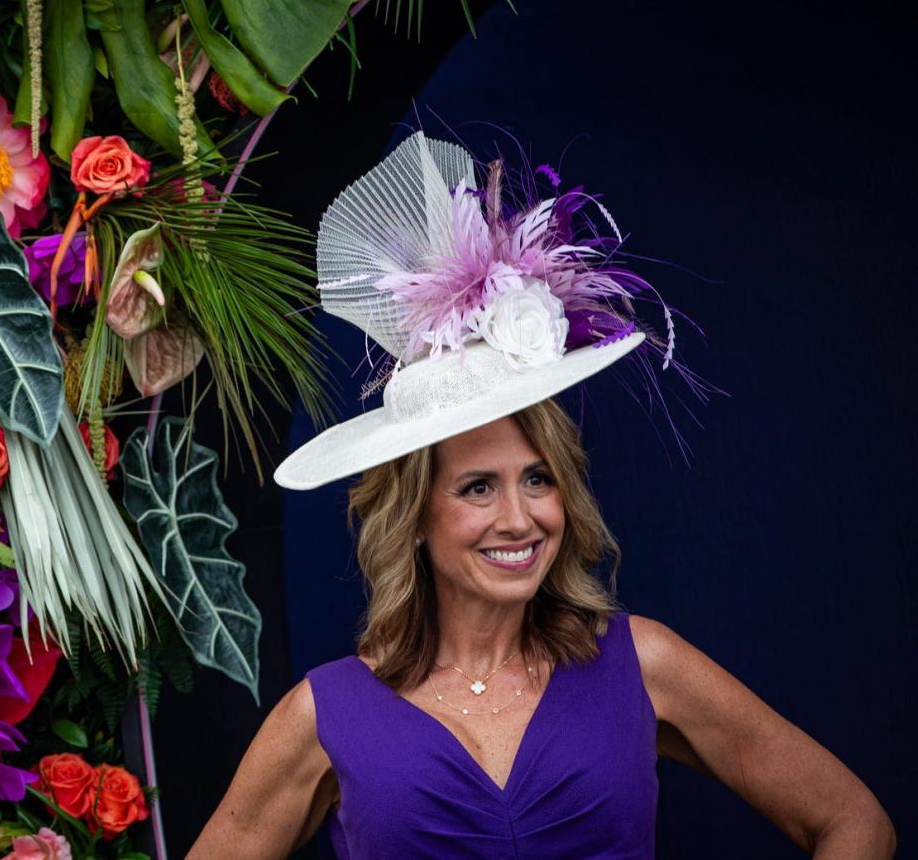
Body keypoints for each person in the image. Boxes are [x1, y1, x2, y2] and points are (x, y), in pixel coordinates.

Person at [187, 133, 896, 859]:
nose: (519, 516)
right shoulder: (325, 713)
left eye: (538, 478)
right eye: (477, 487)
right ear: (416, 518)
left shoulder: (639, 662)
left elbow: (852, 820)